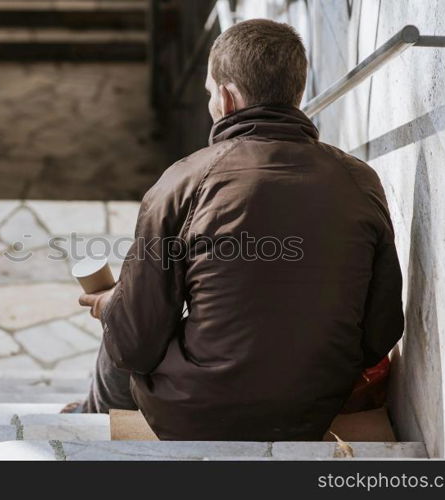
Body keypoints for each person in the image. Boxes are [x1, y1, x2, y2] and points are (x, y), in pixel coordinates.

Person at [75, 19, 404, 441]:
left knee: (125, 319)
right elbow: (382, 331)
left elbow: (134, 346)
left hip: (193, 414)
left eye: (211, 92)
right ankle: (88, 410)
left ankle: (89, 419)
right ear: (296, 92)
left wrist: (113, 306)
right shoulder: (361, 181)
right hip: (313, 411)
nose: (211, 100)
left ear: (227, 99)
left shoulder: (183, 181)